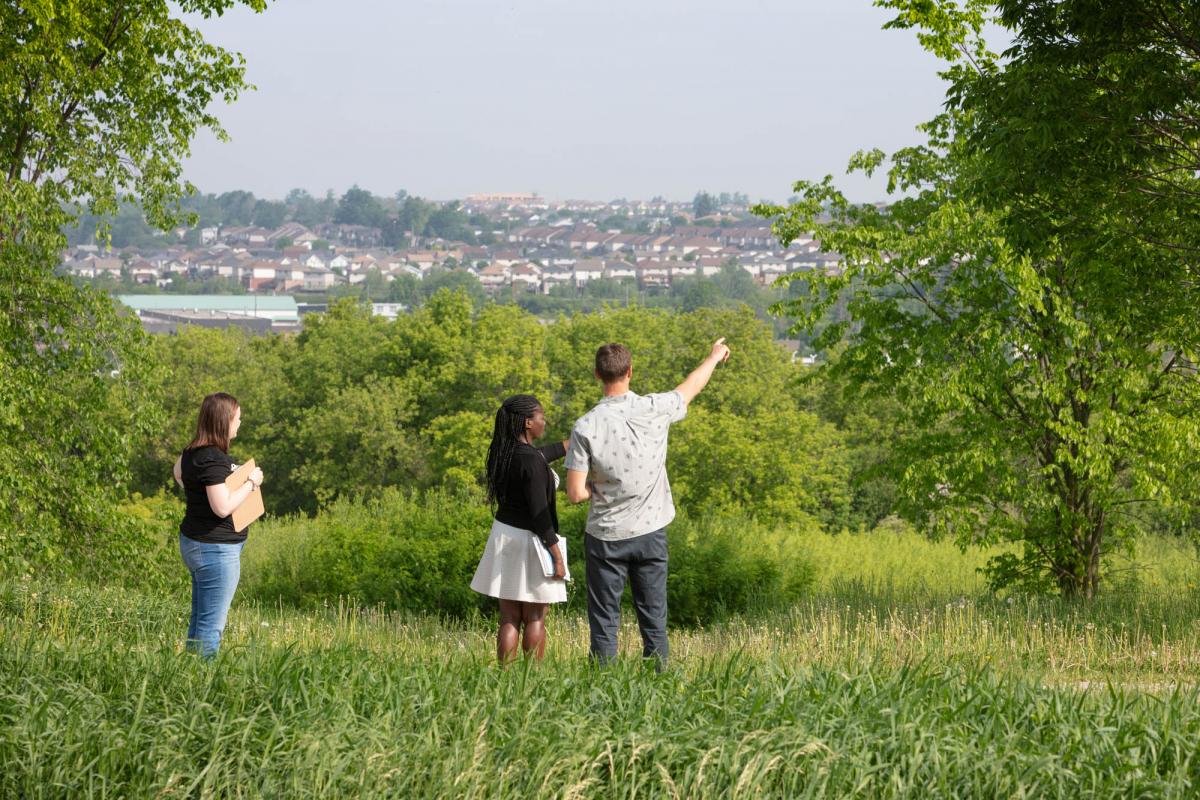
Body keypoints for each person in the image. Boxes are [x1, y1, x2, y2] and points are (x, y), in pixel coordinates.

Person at [565, 338, 730, 667]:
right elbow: (690, 387)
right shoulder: (654, 409)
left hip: (605, 537)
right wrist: (713, 357)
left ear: (598, 375)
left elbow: (575, 493)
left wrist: (598, 489)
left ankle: (602, 694)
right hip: (651, 532)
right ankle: (660, 688)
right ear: (630, 372)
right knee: (654, 621)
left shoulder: (585, 426)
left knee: (604, 625)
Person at [470, 394, 570, 662]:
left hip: (504, 536)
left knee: (509, 617)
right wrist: (557, 557)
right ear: (528, 422)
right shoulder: (532, 462)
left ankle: (504, 676)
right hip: (532, 542)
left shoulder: (503, 453)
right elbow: (540, 516)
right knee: (536, 616)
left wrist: (572, 444)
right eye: (541, 417)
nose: (544, 422)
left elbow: (542, 454)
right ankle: (530, 678)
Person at [173, 392, 263, 658]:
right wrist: (251, 483)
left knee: (200, 617)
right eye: (237, 418)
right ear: (224, 421)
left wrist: (197, 490)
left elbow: (178, 474)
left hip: (196, 543)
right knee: (212, 626)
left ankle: (188, 673)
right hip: (216, 550)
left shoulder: (191, 452)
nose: (239, 423)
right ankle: (203, 685)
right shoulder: (214, 460)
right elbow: (222, 507)